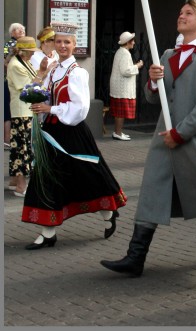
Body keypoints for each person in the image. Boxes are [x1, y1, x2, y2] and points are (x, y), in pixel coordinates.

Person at [101, 0, 196, 277]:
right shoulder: (169, 54)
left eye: (188, 13)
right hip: (164, 138)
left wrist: (180, 133)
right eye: (181, 12)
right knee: (152, 191)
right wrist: (152, 80)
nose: (181, 16)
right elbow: (152, 97)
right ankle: (136, 257)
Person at [21, 22, 127, 249]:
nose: (62, 46)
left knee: (86, 175)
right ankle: (48, 232)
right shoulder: (51, 69)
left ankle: (108, 213)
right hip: (50, 130)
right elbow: (29, 94)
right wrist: (40, 74)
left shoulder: (77, 73)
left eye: (66, 42)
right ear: (52, 44)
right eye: (58, 41)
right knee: (47, 178)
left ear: (74, 45)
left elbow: (80, 109)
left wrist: (51, 109)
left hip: (71, 131)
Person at [6, 37, 48, 197]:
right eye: (30, 52)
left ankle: (14, 182)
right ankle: (20, 186)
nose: (32, 55)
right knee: (22, 148)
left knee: (21, 147)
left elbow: (35, 80)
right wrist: (42, 72)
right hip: (21, 111)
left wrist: (43, 72)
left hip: (26, 110)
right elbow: (28, 89)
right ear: (23, 51)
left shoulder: (24, 62)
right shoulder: (16, 65)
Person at [109, 31, 144, 141]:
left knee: (119, 112)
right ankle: (118, 133)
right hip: (122, 87)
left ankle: (117, 132)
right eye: (132, 41)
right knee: (120, 112)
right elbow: (125, 71)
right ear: (128, 42)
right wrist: (137, 66)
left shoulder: (121, 52)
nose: (133, 43)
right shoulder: (125, 53)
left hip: (119, 86)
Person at [4, 23, 26, 150]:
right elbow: (3, 60)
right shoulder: (8, 45)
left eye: (23, 29)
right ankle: (7, 139)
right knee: (8, 108)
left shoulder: (25, 45)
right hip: (10, 81)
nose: (22, 30)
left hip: (17, 80)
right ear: (12, 33)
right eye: (18, 29)